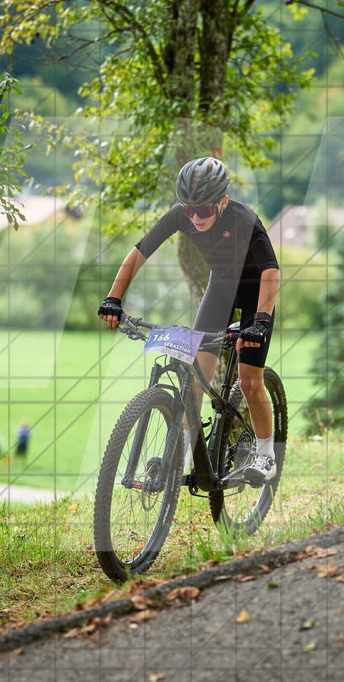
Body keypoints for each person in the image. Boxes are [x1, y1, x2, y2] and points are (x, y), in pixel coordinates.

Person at [98, 157, 281, 485]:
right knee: (196, 377)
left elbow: (271, 270)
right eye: (189, 209)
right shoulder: (180, 216)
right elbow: (139, 252)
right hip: (221, 290)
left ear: (222, 201)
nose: (195, 217)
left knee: (250, 379)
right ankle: (183, 453)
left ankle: (267, 455)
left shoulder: (244, 219)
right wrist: (114, 298)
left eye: (204, 210)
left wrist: (262, 322)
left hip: (256, 294)